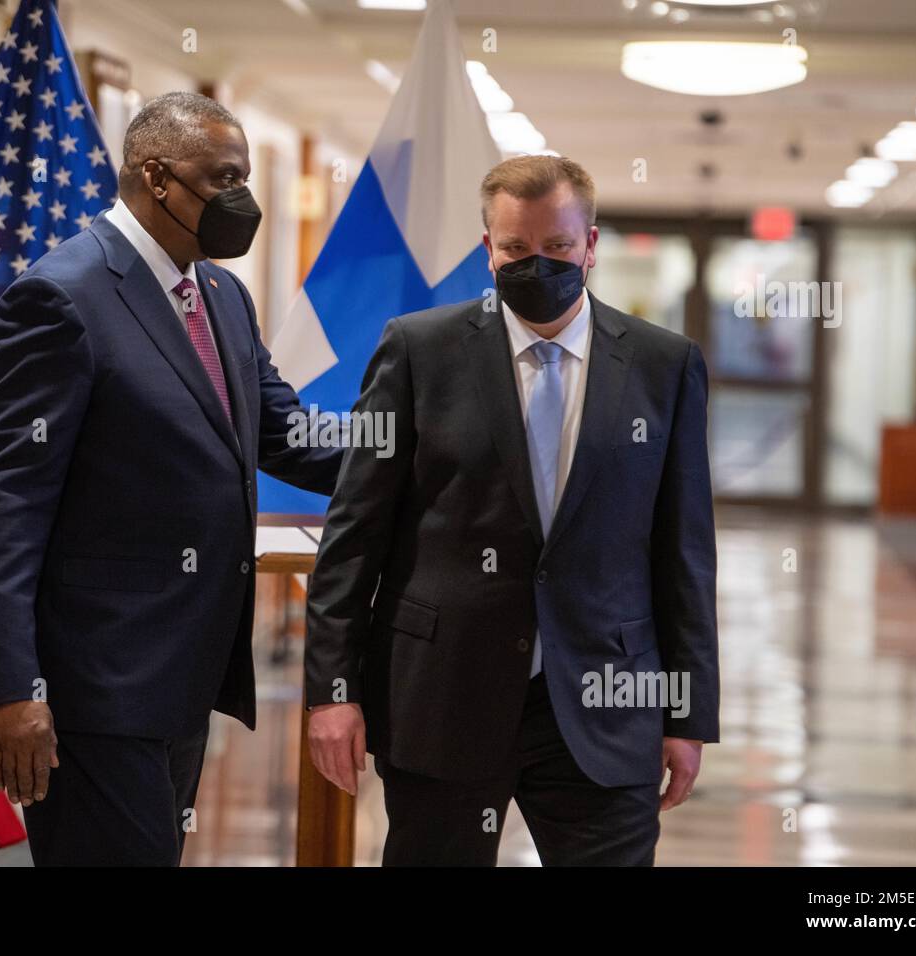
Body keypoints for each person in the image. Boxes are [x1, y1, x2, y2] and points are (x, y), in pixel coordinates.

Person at [305, 154, 719, 866]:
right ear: (487, 249)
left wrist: (688, 713)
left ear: (590, 246)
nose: (539, 264)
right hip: (443, 695)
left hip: (606, 698)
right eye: (516, 249)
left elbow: (684, 549)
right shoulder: (419, 350)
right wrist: (332, 691)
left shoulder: (663, 364)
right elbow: (353, 534)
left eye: (558, 248)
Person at [0, 91, 341, 866]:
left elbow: (285, 434)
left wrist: (425, 445)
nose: (242, 198)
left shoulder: (220, 295)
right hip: (91, 688)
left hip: (181, 678)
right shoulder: (60, 297)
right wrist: (11, 686)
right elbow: (6, 506)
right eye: (224, 176)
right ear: (157, 177)